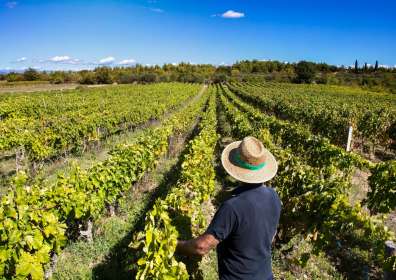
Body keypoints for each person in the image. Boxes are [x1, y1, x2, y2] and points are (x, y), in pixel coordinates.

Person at [176, 136, 281, 280]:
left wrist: (176, 245)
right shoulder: (274, 196)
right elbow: (271, 235)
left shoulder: (233, 207)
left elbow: (201, 247)